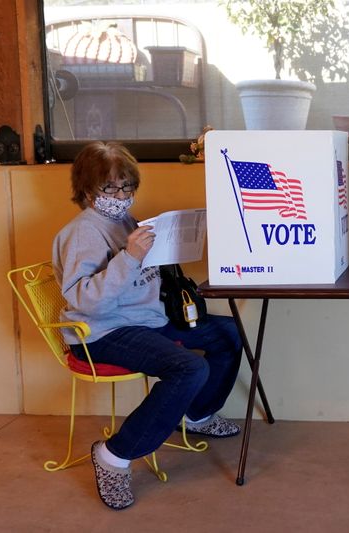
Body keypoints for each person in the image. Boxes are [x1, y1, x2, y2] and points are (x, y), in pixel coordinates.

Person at [52, 141, 242, 510]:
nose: (121, 195)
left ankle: (198, 414)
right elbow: (85, 300)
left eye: (127, 186)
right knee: (189, 368)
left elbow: (142, 275)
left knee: (230, 333)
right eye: (110, 187)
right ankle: (114, 455)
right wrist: (130, 257)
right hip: (100, 332)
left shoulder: (125, 219)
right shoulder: (83, 233)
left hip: (145, 320)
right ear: (87, 189)